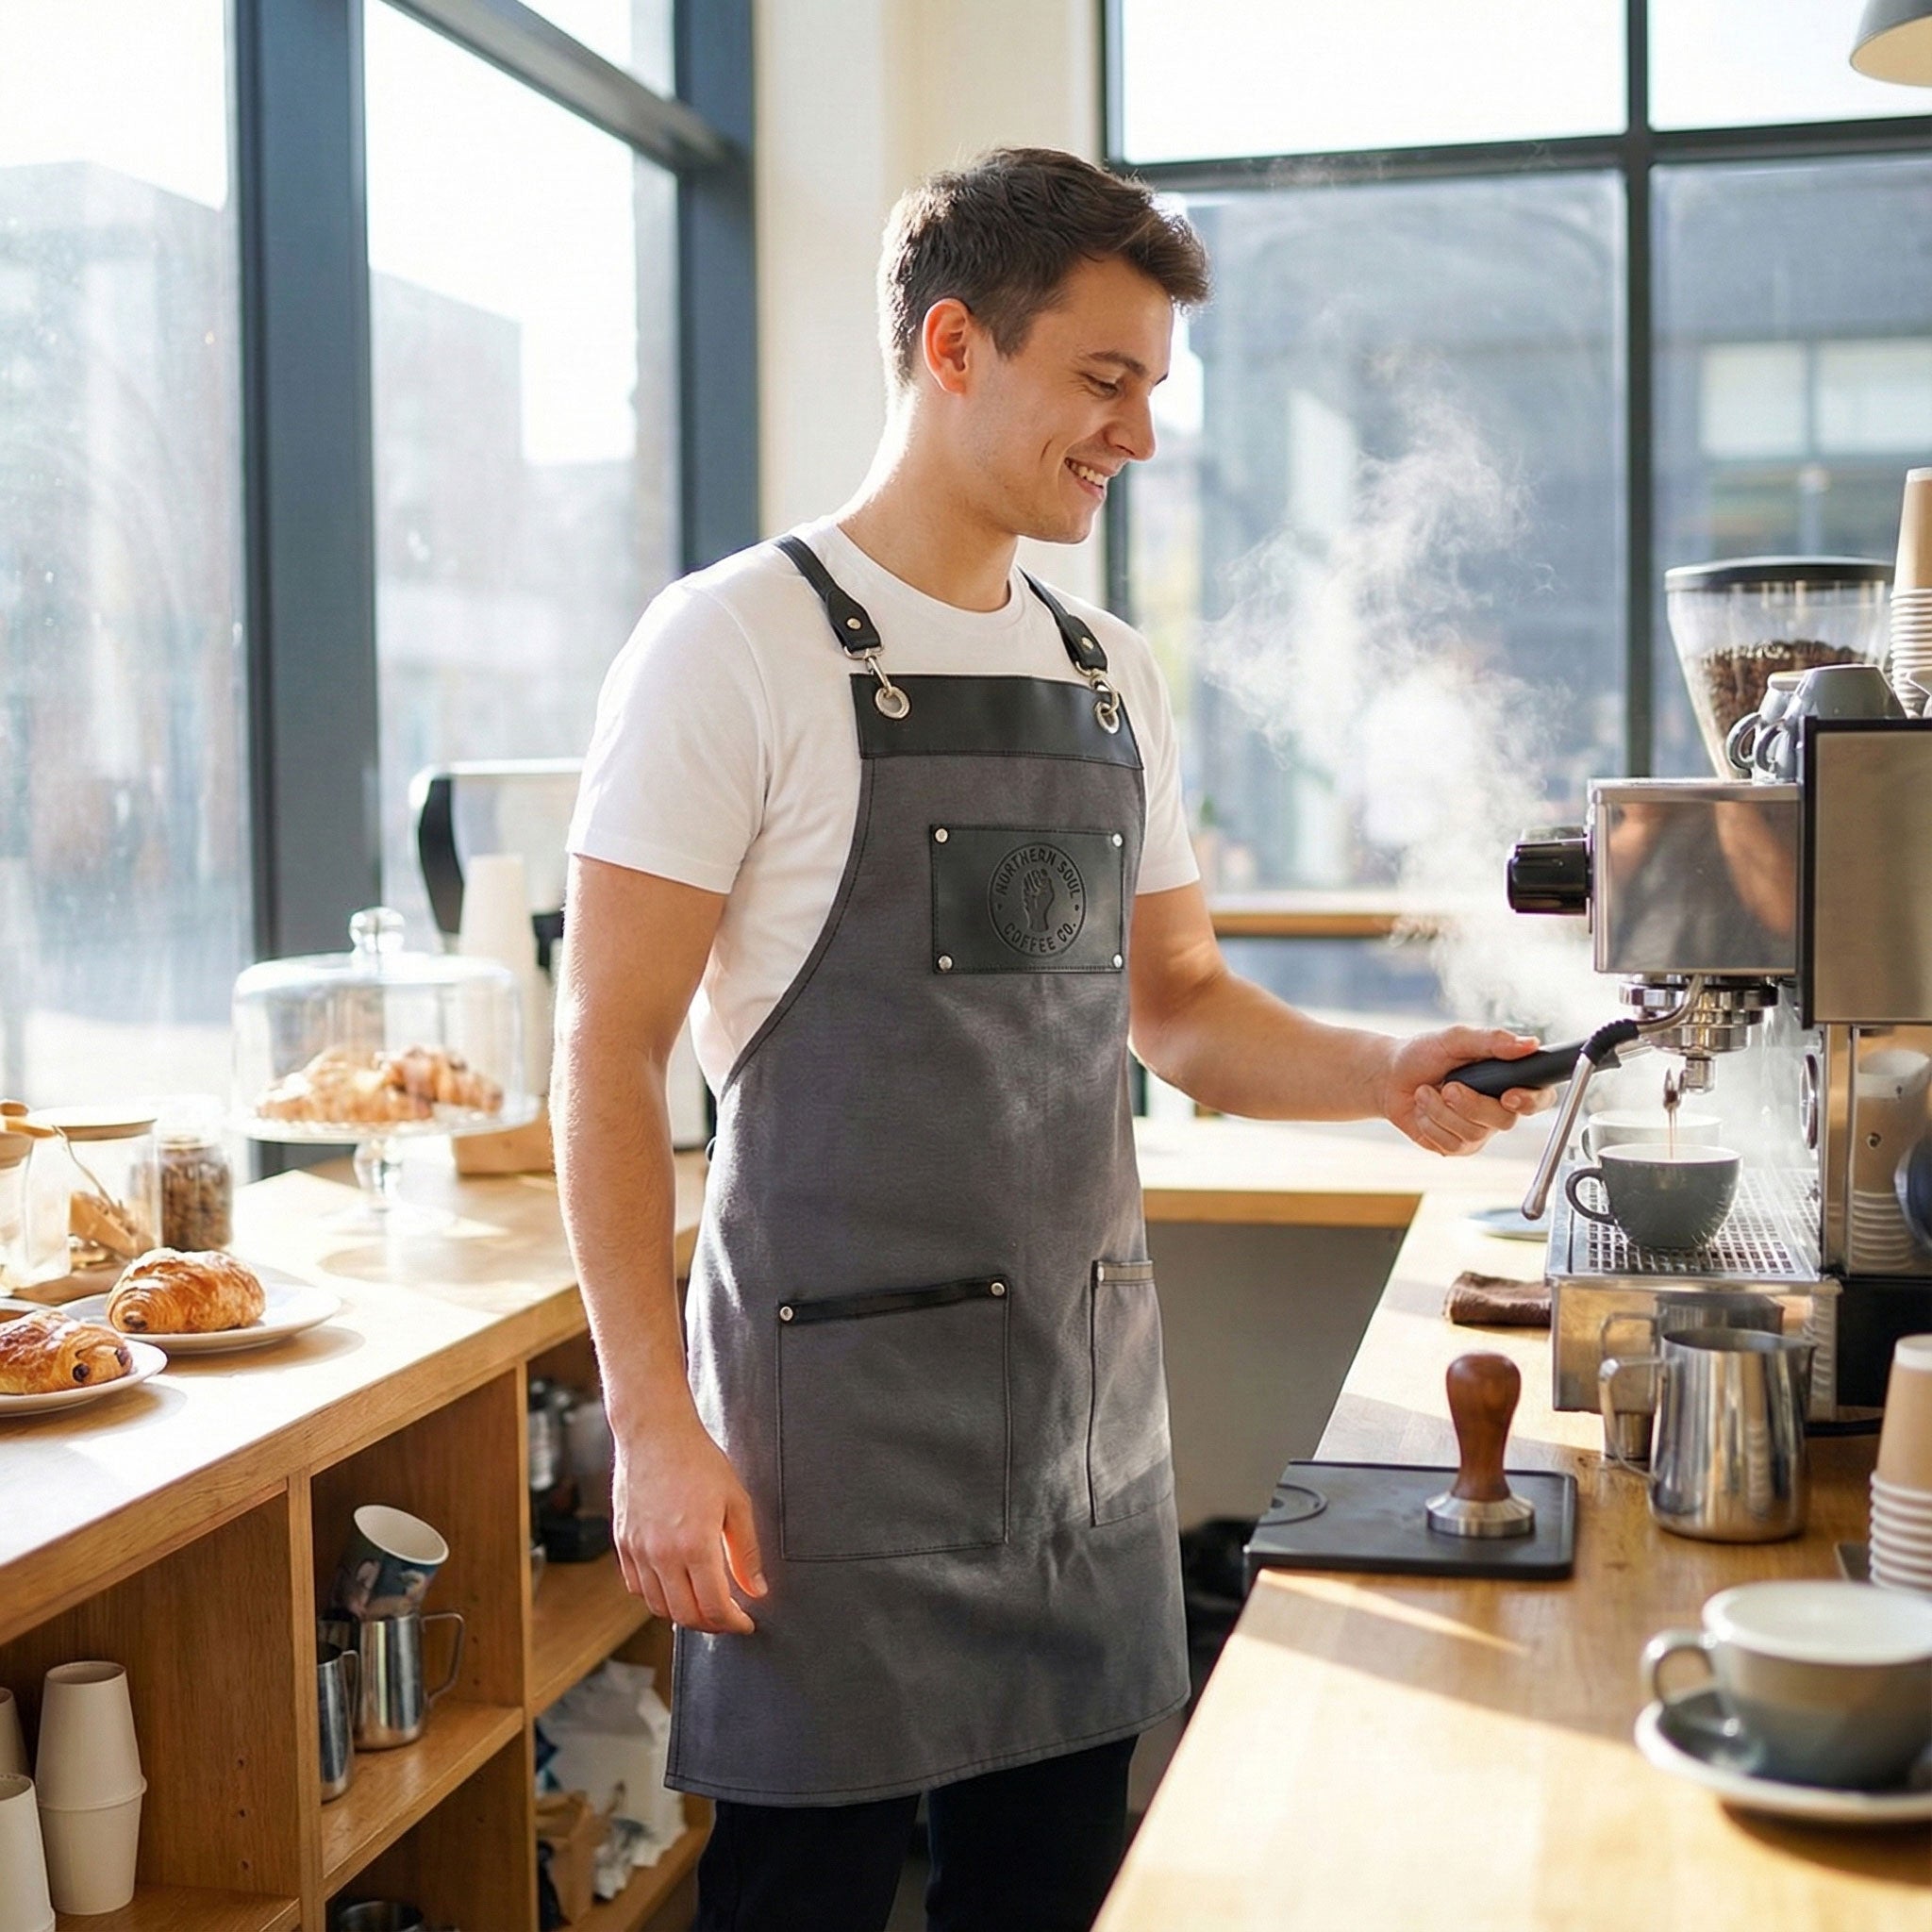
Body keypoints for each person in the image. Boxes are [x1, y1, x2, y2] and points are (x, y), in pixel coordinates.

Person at [555, 146, 1543, 1932]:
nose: (1139, 437)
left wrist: (1378, 1079)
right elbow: (607, 1048)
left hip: (1080, 1443)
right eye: (1104, 380)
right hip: (822, 1453)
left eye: (1153, 390)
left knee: (1056, 1898)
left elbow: (1180, 1010)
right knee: (804, 1898)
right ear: (953, 345)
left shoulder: (1109, 674)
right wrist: (651, 1421)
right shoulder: (733, 645)